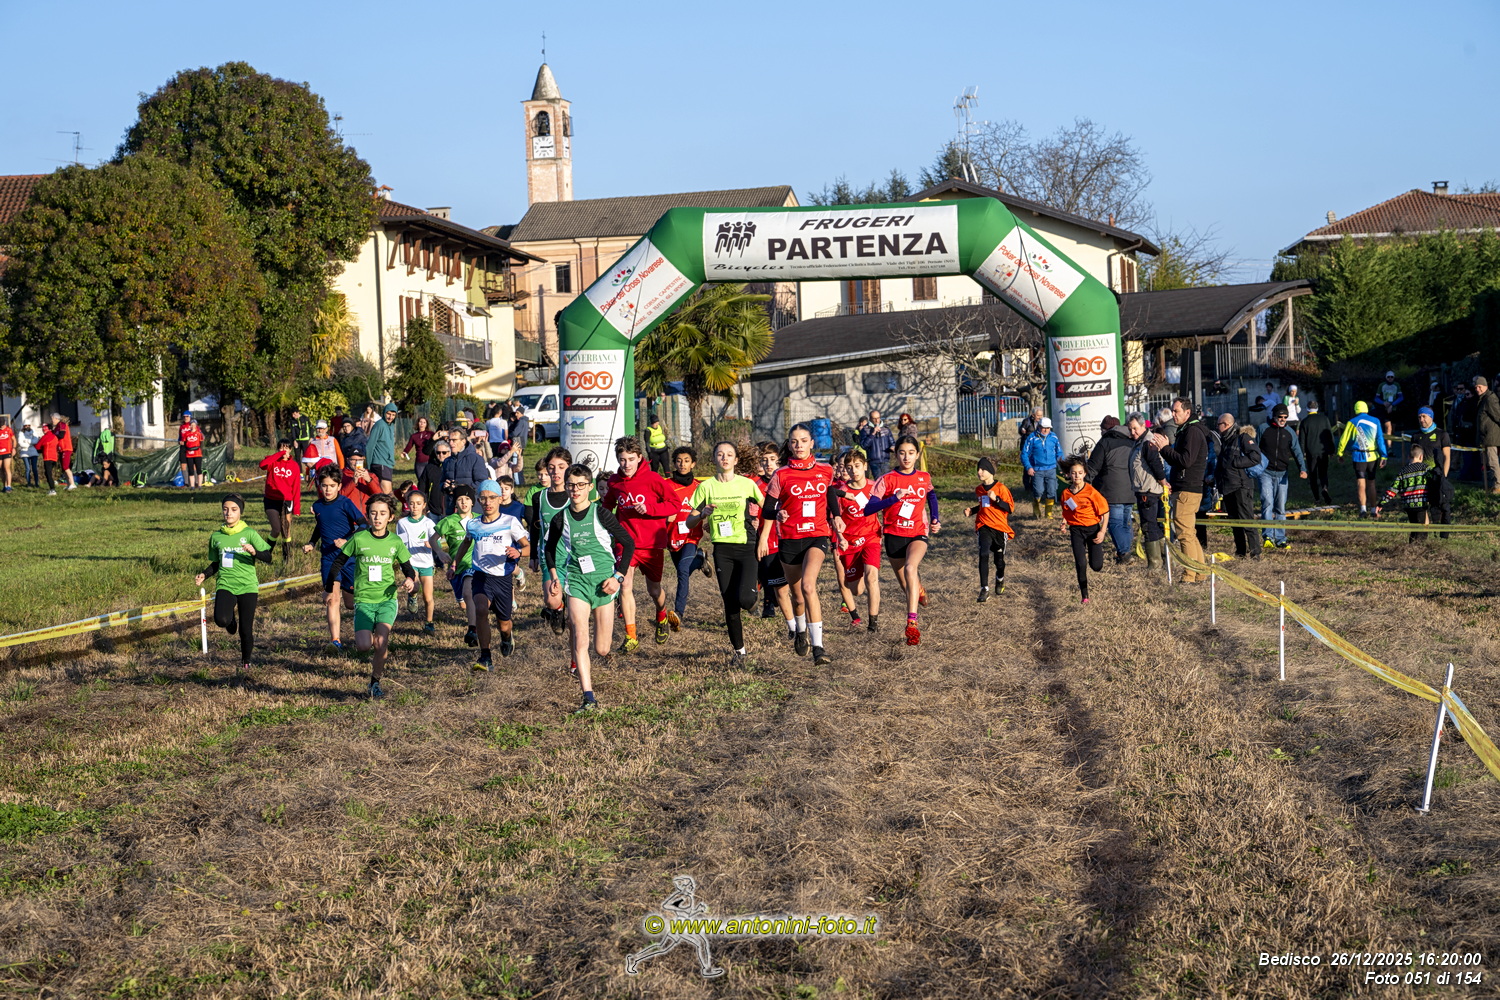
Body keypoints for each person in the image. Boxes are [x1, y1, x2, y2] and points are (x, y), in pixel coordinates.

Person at [545, 463, 636, 715]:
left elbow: (628, 543)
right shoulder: (560, 518)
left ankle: (592, 680)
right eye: (571, 485)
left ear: (589, 487)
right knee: (580, 637)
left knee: (602, 648)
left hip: (604, 584)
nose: (575, 490)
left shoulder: (601, 514)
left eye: (580, 485)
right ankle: (588, 697)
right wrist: (554, 576)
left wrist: (618, 577)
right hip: (577, 582)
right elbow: (549, 549)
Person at [758, 424, 838, 663]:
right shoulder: (781, 475)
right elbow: (767, 509)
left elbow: (830, 494)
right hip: (790, 539)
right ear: (790, 445)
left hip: (817, 535)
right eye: (794, 441)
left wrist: (838, 517)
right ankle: (800, 630)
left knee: (808, 586)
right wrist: (778, 513)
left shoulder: (825, 470)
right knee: (797, 596)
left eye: (804, 440)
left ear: (812, 443)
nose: (799, 445)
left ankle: (819, 648)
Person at [326, 493, 416, 699]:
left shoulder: (395, 541)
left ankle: (375, 682)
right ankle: (372, 646)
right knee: (364, 646)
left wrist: (410, 579)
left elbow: (407, 567)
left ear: (390, 517)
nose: (377, 517)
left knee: (381, 641)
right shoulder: (359, 538)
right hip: (364, 600)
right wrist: (329, 587)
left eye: (382, 513)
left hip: (387, 599)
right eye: (373, 513)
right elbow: (338, 562)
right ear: (367, 515)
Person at [686, 442, 766, 665]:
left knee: (745, 599)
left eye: (729, 454)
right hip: (722, 549)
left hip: (746, 545)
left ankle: (752, 600)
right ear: (714, 459)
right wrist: (702, 514)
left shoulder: (747, 484)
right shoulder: (706, 487)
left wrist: (765, 525)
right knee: (730, 602)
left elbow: (767, 507)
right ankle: (739, 652)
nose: (725, 458)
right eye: (720, 454)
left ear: (736, 460)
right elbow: (689, 521)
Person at [602, 436, 681, 650]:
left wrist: (651, 509)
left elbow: (674, 504)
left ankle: (661, 615)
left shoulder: (653, 479)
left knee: (654, 590)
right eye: (622, 460)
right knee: (625, 585)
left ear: (639, 458)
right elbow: (607, 505)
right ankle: (631, 636)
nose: (626, 464)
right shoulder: (614, 482)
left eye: (630, 459)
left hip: (651, 543)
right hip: (625, 543)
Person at [863, 434, 939, 645]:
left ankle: (911, 623)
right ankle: (919, 589)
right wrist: (893, 498)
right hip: (894, 536)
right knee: (906, 585)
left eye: (911, 453)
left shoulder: (924, 477)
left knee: (910, 568)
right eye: (902, 453)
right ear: (895, 455)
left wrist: (935, 518)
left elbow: (931, 495)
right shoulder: (886, 479)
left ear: (917, 455)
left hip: (917, 532)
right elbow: (868, 509)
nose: (906, 457)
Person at [450, 478, 530, 669]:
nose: (487, 502)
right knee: (481, 609)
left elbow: (527, 547)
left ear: (500, 499)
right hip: (481, 576)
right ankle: (485, 656)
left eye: (492, 498)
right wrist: (454, 564)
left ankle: (507, 637)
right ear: (478, 500)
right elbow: (466, 543)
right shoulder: (473, 524)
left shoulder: (510, 522)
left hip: (502, 579)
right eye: (483, 498)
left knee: (504, 623)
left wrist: (518, 552)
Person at [194, 493, 272, 678]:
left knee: (246, 629)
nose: (229, 513)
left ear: (240, 512)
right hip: (226, 583)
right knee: (221, 620)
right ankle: (231, 620)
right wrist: (205, 574)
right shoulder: (216, 537)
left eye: (234, 509)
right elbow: (216, 563)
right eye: (225, 509)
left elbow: (268, 557)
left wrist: (254, 552)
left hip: (247, 586)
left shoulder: (249, 533)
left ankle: (246, 663)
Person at [303, 466, 367, 651]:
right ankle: (335, 641)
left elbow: (363, 525)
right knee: (332, 599)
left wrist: (347, 540)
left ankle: (364, 625)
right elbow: (320, 526)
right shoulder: (317, 506)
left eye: (332, 486)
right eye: (324, 486)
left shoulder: (345, 503)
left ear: (339, 486)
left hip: (348, 558)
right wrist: (312, 543)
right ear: (319, 486)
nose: (328, 489)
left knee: (350, 604)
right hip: (329, 559)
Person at [1152, 397, 1209, 583]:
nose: (1173, 415)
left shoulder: (1192, 431)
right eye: (1172, 411)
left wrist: (1165, 448)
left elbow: (1185, 461)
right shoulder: (1187, 430)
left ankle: (1189, 575)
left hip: (1188, 489)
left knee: (1184, 533)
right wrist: (1165, 449)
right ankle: (1200, 572)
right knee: (1189, 533)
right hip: (1186, 487)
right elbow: (1178, 459)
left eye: (1176, 411)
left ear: (1187, 412)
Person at [530, 446, 583, 637]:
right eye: (551, 467)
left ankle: (568, 604)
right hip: (550, 557)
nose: (556, 472)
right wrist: (533, 555)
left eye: (561, 467)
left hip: (574, 557)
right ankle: (558, 609)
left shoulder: (576, 496)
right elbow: (535, 526)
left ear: (569, 467)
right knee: (551, 600)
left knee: (578, 609)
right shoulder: (539, 497)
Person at [832, 448, 882, 627]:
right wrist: (840, 538)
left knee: (872, 577)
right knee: (857, 590)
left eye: (857, 466)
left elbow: (887, 505)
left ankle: (873, 623)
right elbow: (835, 517)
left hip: (871, 537)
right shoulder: (842, 492)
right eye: (849, 467)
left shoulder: (875, 486)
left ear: (865, 466)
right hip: (850, 542)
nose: (854, 470)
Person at [751, 442, 796, 630]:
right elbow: (753, 511)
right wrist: (753, 520)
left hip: (790, 536)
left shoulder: (788, 479)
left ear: (779, 461)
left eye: (772, 459)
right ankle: (771, 606)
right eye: (764, 460)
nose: (768, 464)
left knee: (794, 582)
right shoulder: (756, 485)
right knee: (773, 577)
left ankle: (798, 615)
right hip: (767, 538)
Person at [1084, 415, 1137, 564]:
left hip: (1111, 490)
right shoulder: (1132, 441)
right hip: (1131, 489)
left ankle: (1124, 554)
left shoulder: (1104, 443)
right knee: (1126, 522)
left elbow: (1093, 468)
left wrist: (1083, 485)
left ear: (1105, 429)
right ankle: (1126, 552)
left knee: (1114, 523)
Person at [1056, 457, 1108, 604]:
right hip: (1076, 530)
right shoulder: (1066, 493)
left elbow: (1105, 512)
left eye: (1080, 473)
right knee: (1080, 563)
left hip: (1093, 530)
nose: (1077, 476)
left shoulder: (1091, 492)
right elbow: (1067, 510)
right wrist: (1064, 522)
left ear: (1084, 474)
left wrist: (1102, 531)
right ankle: (1084, 595)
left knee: (1096, 566)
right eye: (1073, 473)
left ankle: (1095, 562)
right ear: (1069, 474)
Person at [664, 446, 706, 628]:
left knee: (682, 570)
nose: (682, 464)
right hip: (672, 535)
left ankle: (678, 613)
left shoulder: (700, 486)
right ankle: (700, 560)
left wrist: (708, 521)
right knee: (684, 572)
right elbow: (658, 506)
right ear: (674, 463)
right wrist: (665, 516)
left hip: (691, 535)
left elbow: (711, 506)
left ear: (693, 463)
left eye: (687, 461)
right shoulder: (666, 485)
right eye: (679, 461)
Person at [1257, 404, 1308, 551]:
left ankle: (1280, 539)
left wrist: (1302, 469)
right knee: (1267, 503)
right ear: (1274, 416)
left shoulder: (1289, 432)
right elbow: (1254, 449)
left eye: (1285, 417)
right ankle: (1268, 537)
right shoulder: (1263, 429)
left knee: (1280, 507)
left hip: (1282, 473)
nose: (1283, 419)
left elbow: (1297, 451)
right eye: (1280, 417)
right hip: (1265, 472)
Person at [1214, 413, 1264, 561]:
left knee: (1246, 520)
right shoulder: (1225, 440)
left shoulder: (1242, 438)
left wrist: (1236, 463)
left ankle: (1255, 553)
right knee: (1235, 522)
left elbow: (1256, 457)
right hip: (1228, 486)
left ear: (1227, 425)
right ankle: (1241, 552)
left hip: (1242, 487)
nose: (1217, 427)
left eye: (1219, 424)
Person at [964, 457, 1014, 601]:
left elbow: (1010, 508)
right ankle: (984, 589)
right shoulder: (979, 490)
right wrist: (972, 511)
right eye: (978, 469)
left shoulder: (1001, 488)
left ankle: (1000, 578)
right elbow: (983, 506)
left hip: (999, 528)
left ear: (991, 471)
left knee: (999, 561)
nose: (979, 472)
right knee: (983, 553)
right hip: (983, 526)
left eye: (983, 469)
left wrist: (996, 499)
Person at [396, 490, 445, 635]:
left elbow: (437, 542)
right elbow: (400, 543)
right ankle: (412, 596)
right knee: (415, 587)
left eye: (418, 503)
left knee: (428, 597)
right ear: (407, 504)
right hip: (411, 562)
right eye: (412, 503)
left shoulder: (428, 523)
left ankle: (429, 622)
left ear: (424, 505)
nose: (415, 507)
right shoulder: (402, 523)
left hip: (426, 563)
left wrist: (431, 544)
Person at [436, 485, 479, 646]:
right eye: (460, 499)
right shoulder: (449, 521)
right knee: (463, 603)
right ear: (455, 502)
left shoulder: (479, 519)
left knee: (469, 593)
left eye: (467, 499)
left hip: (474, 565)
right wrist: (440, 552)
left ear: (473, 502)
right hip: (456, 567)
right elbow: (432, 539)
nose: (464, 502)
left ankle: (473, 630)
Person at [1128, 413, 1168, 569]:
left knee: (1148, 526)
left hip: (1148, 490)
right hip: (1144, 489)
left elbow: (1156, 463)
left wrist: (1163, 482)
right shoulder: (1140, 441)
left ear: (1143, 426)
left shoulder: (1147, 442)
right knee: (1153, 526)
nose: (1133, 432)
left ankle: (1155, 564)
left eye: (1135, 428)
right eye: (1130, 429)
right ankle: (1166, 560)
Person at [1373, 442, 1433, 544]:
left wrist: (1381, 503)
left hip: (1408, 505)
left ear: (1409, 456)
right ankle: (1417, 548)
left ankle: (1412, 546)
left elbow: (1393, 489)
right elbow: (1434, 483)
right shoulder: (1426, 469)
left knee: (1414, 527)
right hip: (1420, 504)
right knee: (1420, 528)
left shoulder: (1403, 471)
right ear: (1421, 456)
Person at [1336, 401, 1387, 515]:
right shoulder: (1376, 421)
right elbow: (1380, 439)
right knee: (1372, 483)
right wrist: (1384, 456)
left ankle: (1363, 509)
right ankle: (1373, 510)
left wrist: (1340, 453)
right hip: (1373, 456)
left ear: (1356, 409)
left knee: (1361, 483)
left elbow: (1343, 439)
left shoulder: (1352, 422)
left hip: (1358, 456)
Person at [1411, 406, 1454, 537]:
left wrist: (1444, 476)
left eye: (1424, 416)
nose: (1421, 419)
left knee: (1439, 506)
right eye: (1419, 417)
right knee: (1421, 506)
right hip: (1420, 476)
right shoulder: (1416, 436)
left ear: (1431, 417)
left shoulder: (1442, 434)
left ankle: (1441, 534)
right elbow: (1412, 457)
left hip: (1437, 476)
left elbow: (1447, 457)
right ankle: (1424, 533)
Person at [259, 439, 303, 561]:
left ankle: (287, 558)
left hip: (286, 501)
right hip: (271, 500)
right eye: (281, 448)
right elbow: (262, 465)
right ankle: (266, 554)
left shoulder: (294, 466)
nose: (284, 450)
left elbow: (296, 488)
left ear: (290, 450)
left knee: (286, 529)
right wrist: (278, 455)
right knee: (276, 529)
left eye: (286, 448)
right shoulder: (272, 461)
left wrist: (296, 508)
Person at [1021, 417, 1064, 519]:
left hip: (1051, 469)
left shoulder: (1054, 437)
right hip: (1037, 470)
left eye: (1048, 428)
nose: (1045, 430)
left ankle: (1048, 513)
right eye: (1043, 428)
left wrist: (1062, 466)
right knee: (1038, 491)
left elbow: (1059, 452)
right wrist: (1028, 467)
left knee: (1052, 491)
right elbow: (1024, 454)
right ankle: (1036, 507)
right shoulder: (1032, 437)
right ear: (1039, 427)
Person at [442, 427, 489, 513]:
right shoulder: (447, 461)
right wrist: (445, 486)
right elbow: (441, 482)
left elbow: (482, 482)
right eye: (449, 440)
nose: (451, 443)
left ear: (463, 441)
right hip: (451, 508)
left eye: (454, 440)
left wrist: (461, 489)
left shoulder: (475, 459)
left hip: (472, 509)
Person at [1298, 401, 1336, 505]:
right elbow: (1329, 435)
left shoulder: (1304, 422)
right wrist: (1332, 451)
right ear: (1317, 408)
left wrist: (1301, 454)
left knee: (1313, 475)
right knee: (1323, 473)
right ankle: (1324, 488)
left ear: (1307, 409)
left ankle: (1317, 498)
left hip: (1311, 452)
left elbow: (1302, 441)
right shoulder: (1324, 419)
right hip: (1323, 451)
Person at [1474, 375, 1500, 495]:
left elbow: (1498, 415)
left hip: (1491, 437)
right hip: (1485, 437)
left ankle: (1498, 486)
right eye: (1476, 387)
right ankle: (1493, 485)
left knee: (1493, 462)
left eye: (1479, 386)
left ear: (1485, 386)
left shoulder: (1490, 399)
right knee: (1488, 463)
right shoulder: (1483, 398)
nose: (1477, 389)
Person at [367, 402, 399, 493]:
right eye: (388, 414)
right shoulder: (379, 425)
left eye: (393, 415)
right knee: (387, 493)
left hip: (387, 463)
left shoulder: (391, 426)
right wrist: (368, 466)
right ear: (384, 413)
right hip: (380, 463)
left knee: (382, 493)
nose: (390, 417)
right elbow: (369, 446)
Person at [340, 447, 379, 515]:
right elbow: (339, 497)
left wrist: (369, 481)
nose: (357, 463)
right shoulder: (341, 475)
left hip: (367, 516)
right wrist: (353, 482)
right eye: (353, 460)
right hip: (348, 516)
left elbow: (379, 496)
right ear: (347, 460)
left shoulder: (371, 475)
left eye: (360, 460)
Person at [858, 411, 894, 479]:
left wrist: (893, 447)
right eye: (874, 418)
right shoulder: (865, 430)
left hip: (885, 460)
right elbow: (864, 445)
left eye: (878, 418)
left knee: (887, 480)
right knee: (878, 481)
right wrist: (873, 434)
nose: (877, 420)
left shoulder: (886, 428)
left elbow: (892, 442)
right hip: (874, 461)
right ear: (870, 419)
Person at [402, 416, 435, 480]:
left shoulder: (431, 434)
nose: (422, 424)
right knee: (421, 481)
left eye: (424, 422)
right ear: (418, 423)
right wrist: (405, 452)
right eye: (420, 422)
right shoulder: (414, 436)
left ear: (426, 424)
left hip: (429, 461)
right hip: (419, 462)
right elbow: (409, 446)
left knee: (430, 480)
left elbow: (437, 441)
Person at [1374, 371, 1403, 437]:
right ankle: (1389, 442)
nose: (1390, 378)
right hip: (1385, 409)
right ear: (1386, 377)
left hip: (1394, 409)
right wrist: (1383, 403)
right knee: (1388, 428)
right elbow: (1376, 398)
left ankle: (1391, 441)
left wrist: (1392, 405)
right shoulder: (1382, 385)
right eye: (1388, 377)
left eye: (1391, 377)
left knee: (1393, 429)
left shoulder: (1396, 385)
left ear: (1394, 378)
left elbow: (1401, 397)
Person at [180, 415, 204, 489]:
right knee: (190, 470)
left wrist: (201, 451)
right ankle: (192, 486)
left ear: (196, 426)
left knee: (198, 469)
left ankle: (199, 485)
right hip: (189, 453)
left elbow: (201, 443)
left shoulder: (199, 433)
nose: (192, 426)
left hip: (197, 453)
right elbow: (184, 443)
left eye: (194, 425)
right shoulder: (186, 434)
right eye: (191, 425)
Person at [38, 420, 61, 495]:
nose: (43, 430)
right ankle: (52, 487)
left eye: (44, 428)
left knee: (48, 474)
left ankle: (52, 489)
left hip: (48, 457)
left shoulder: (45, 437)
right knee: (49, 473)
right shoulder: (55, 437)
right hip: (54, 457)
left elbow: (38, 446)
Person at [19, 423, 39, 488]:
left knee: (34, 468)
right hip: (24, 452)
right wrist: (29, 444)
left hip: (33, 451)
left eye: (28, 425)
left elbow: (36, 440)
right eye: (26, 425)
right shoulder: (21, 433)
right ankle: (28, 483)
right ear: (23, 426)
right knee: (28, 468)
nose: (27, 426)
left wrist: (27, 441)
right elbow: (20, 443)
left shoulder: (33, 431)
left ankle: (36, 483)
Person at [0, 415, 14, 492]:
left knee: (6, 468)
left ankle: (9, 486)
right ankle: (4, 486)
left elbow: (14, 439)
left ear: (5, 423)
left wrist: (14, 448)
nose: (1, 427)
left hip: (7, 451)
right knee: (1, 469)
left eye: (2, 425)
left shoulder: (9, 430)